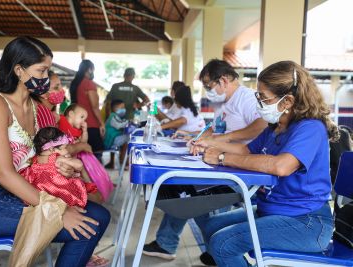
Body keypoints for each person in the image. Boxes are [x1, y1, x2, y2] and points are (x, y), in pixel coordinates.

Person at [0, 36, 110, 267]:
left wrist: (62, 166)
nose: (45, 78)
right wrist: (58, 210)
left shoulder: (35, 107)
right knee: (89, 224)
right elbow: (3, 173)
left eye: (47, 71)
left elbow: (37, 158)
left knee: (98, 215)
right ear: (19, 70)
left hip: (21, 191)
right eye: (41, 71)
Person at [195, 60, 337, 266]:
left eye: (263, 97)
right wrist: (210, 147)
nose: (259, 102)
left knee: (222, 243)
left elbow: (282, 166)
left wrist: (222, 157)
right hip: (273, 209)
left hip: (306, 222)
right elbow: (246, 150)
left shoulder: (310, 128)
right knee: (212, 226)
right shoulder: (276, 127)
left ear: (287, 101)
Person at [143, 59, 267, 265]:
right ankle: (198, 245)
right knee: (184, 189)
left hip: (239, 167)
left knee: (190, 194)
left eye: (209, 86)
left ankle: (210, 246)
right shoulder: (226, 102)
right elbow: (215, 128)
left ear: (224, 80)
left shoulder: (246, 98)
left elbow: (261, 126)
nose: (209, 91)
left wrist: (223, 139)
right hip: (222, 162)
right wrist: (200, 138)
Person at [26, 127, 100, 207]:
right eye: (64, 148)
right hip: (59, 191)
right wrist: (69, 160)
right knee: (79, 187)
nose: (67, 151)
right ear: (52, 149)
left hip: (43, 193)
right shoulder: (57, 158)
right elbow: (79, 165)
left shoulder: (36, 159)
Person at [70, 60, 105, 158]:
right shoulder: (89, 84)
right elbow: (94, 107)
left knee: (80, 156)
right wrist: (102, 124)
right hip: (91, 125)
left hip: (76, 124)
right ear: (90, 69)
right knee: (95, 156)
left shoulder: (75, 83)